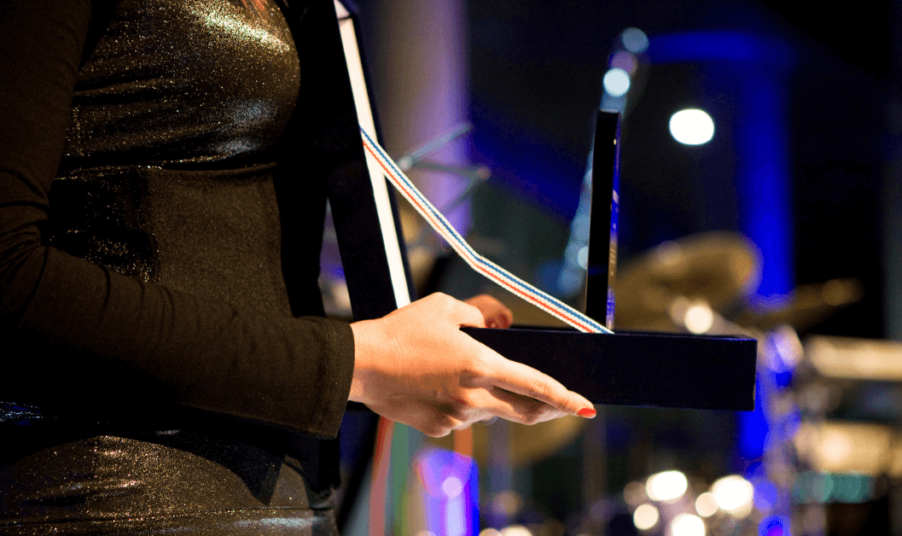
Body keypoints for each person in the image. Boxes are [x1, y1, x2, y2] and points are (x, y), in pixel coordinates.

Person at [0, 0, 595, 533]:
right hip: (108, 498)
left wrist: (397, 352)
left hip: (289, 494)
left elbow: (220, 274)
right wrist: (355, 362)